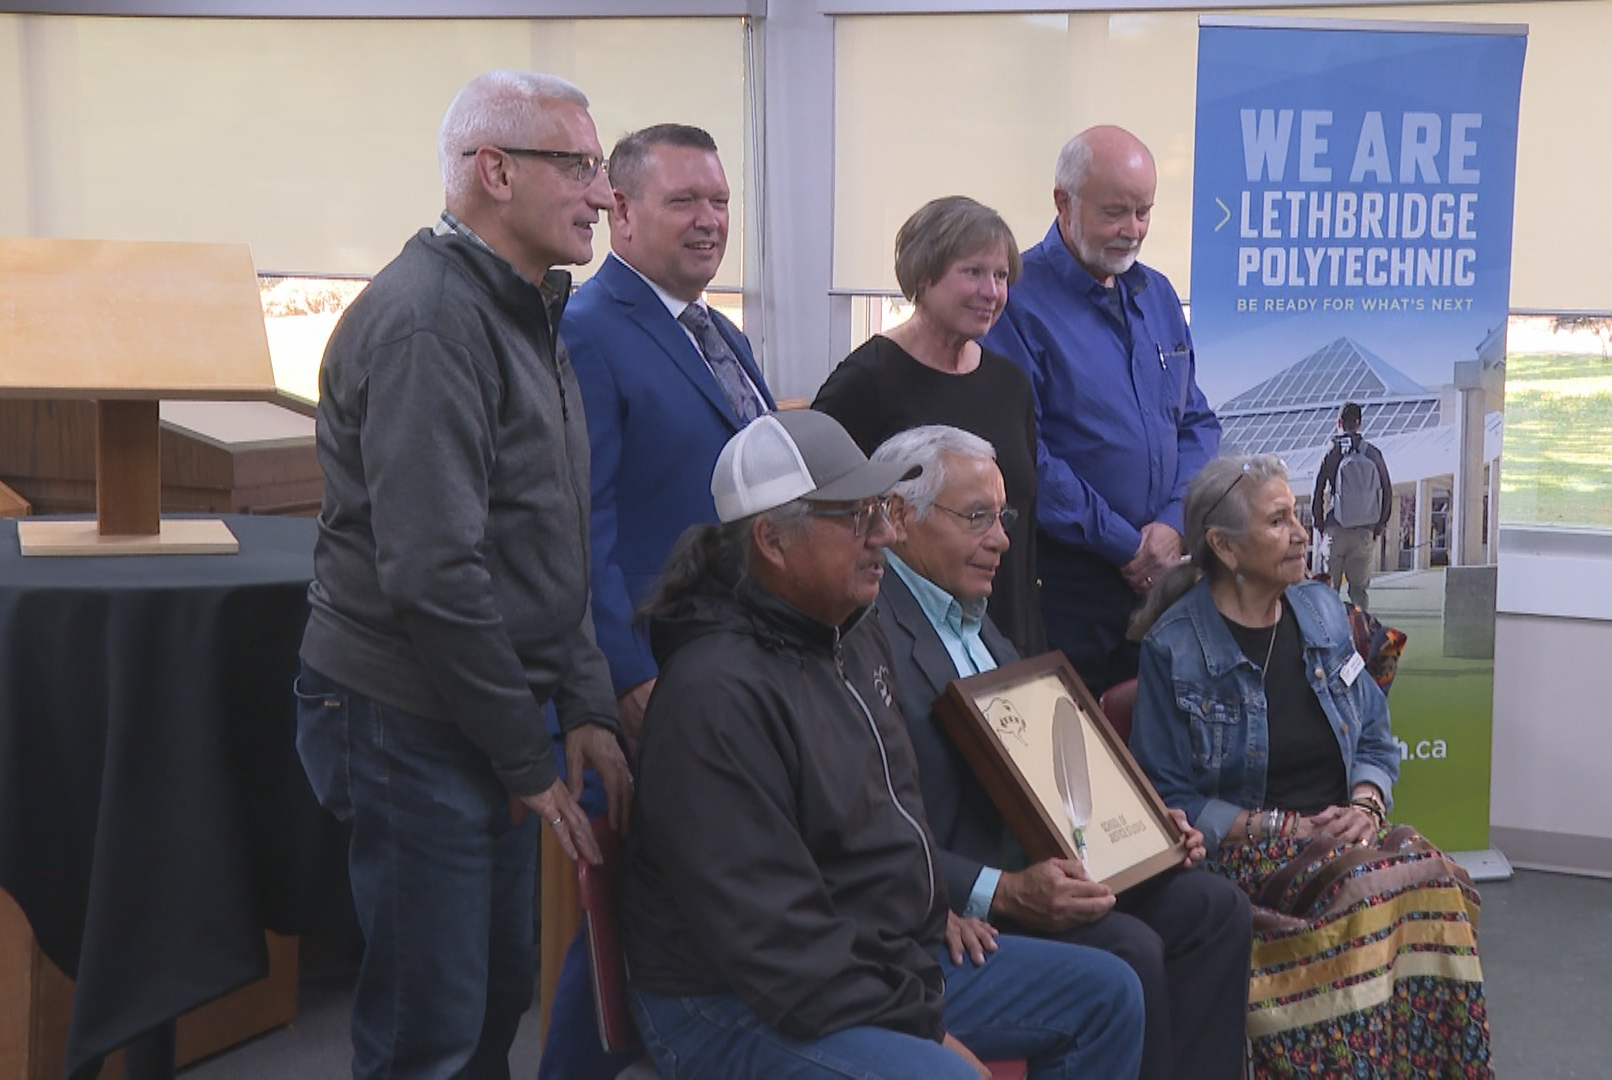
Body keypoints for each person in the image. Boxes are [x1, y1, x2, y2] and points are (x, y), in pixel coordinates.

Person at [619, 409, 1144, 1080]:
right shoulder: (713, 696)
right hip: (729, 1002)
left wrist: (933, 909)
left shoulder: (849, 632)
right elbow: (774, 943)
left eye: (880, 510)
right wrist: (919, 1022)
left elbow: (895, 808)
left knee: (1110, 995)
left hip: (872, 961)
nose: (884, 534)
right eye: (854, 516)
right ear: (772, 541)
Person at [293, 70, 632, 1079]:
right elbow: (435, 574)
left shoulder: (524, 304)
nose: (603, 194)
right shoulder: (429, 322)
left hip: (482, 709)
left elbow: (547, 536)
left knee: (489, 1003)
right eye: (578, 166)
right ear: (494, 171)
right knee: (428, 1030)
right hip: (407, 714)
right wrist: (526, 761)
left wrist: (579, 700)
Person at [869, 426, 1251, 1080]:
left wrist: (1151, 830)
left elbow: (1054, 763)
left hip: (1053, 865)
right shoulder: (867, 633)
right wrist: (994, 892)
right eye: (978, 517)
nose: (1002, 539)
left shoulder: (976, 619)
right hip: (967, 901)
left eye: (1004, 516)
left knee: (1212, 910)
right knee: (1129, 949)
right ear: (899, 518)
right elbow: (868, 819)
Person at [1126, 454, 1490, 1079]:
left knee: (1434, 876)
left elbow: (1373, 732)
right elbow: (1164, 798)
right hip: (1246, 854)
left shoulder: (1322, 612)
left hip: (1342, 837)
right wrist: (1286, 830)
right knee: (1372, 888)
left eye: (1297, 515)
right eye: (1279, 521)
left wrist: (1366, 804)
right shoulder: (1174, 647)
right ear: (1224, 546)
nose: (1302, 533)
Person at [549, 122, 776, 1077]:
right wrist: (623, 677)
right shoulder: (589, 332)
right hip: (652, 677)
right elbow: (580, 527)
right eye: (685, 201)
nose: (709, 219)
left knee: (672, 897)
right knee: (624, 900)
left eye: (719, 200)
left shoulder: (718, 331)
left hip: (731, 673)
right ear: (622, 211)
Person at [983, 125, 1221, 696]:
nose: (1133, 230)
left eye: (1144, 211)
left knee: (1157, 758)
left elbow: (1197, 425)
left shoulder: (1157, 295)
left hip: (1165, 583)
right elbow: (1024, 454)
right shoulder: (1014, 301)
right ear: (1063, 202)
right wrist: (1125, 545)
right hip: (1067, 587)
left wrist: (1168, 526)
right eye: (1116, 211)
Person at [813, 196, 1045, 655]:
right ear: (923, 275)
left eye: (1001, 276)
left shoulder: (1010, 384)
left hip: (1004, 635)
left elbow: (1024, 533)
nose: (992, 292)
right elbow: (823, 520)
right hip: (902, 647)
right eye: (973, 272)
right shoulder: (864, 383)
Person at [1311, 401, 1393, 610]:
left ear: (1338, 422)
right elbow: (1386, 489)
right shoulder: (1372, 453)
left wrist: (1320, 524)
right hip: (1364, 533)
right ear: (1359, 423)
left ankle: (1330, 639)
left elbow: (1317, 489)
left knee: (1328, 593)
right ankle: (1361, 637)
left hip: (1335, 529)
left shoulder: (1331, 452)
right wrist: (1378, 526)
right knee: (1359, 592)